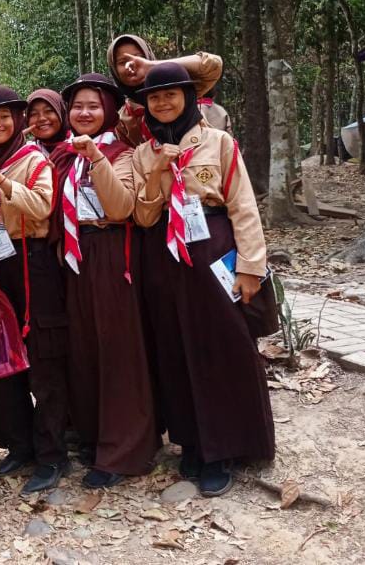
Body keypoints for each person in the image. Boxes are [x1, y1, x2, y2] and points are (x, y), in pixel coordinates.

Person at [130, 64, 274, 497]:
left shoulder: (218, 142)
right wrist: (157, 171)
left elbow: (243, 206)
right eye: (155, 98)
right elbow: (142, 215)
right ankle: (192, 441)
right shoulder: (143, 153)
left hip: (213, 250)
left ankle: (225, 447)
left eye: (171, 95)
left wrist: (251, 267)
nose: (163, 103)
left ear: (189, 98)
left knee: (222, 346)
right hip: (163, 258)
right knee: (173, 348)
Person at [50, 74, 158, 488]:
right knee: (84, 345)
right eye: (77, 106)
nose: (84, 113)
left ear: (108, 111)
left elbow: (120, 207)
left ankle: (123, 449)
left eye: (93, 106)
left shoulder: (122, 154)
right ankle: (94, 437)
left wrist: (97, 158)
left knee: (117, 347)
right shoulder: (64, 155)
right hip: (77, 258)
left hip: (113, 252)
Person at [0, 86, 68, 493]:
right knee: (4, 354)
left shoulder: (33, 160)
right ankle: (21, 443)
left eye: (4, 117)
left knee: (43, 357)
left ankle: (52, 455)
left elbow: (43, 206)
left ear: (18, 120)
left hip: (34, 261)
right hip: (0, 259)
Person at [106, 34, 226, 145]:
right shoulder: (124, 118)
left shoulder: (180, 88)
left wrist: (151, 65)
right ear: (114, 69)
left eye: (139, 57)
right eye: (122, 62)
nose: (131, 65)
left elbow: (213, 65)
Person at [25, 89, 68, 155]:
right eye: (33, 114)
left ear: (61, 113)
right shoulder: (25, 153)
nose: (42, 118)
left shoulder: (83, 147)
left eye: (49, 111)